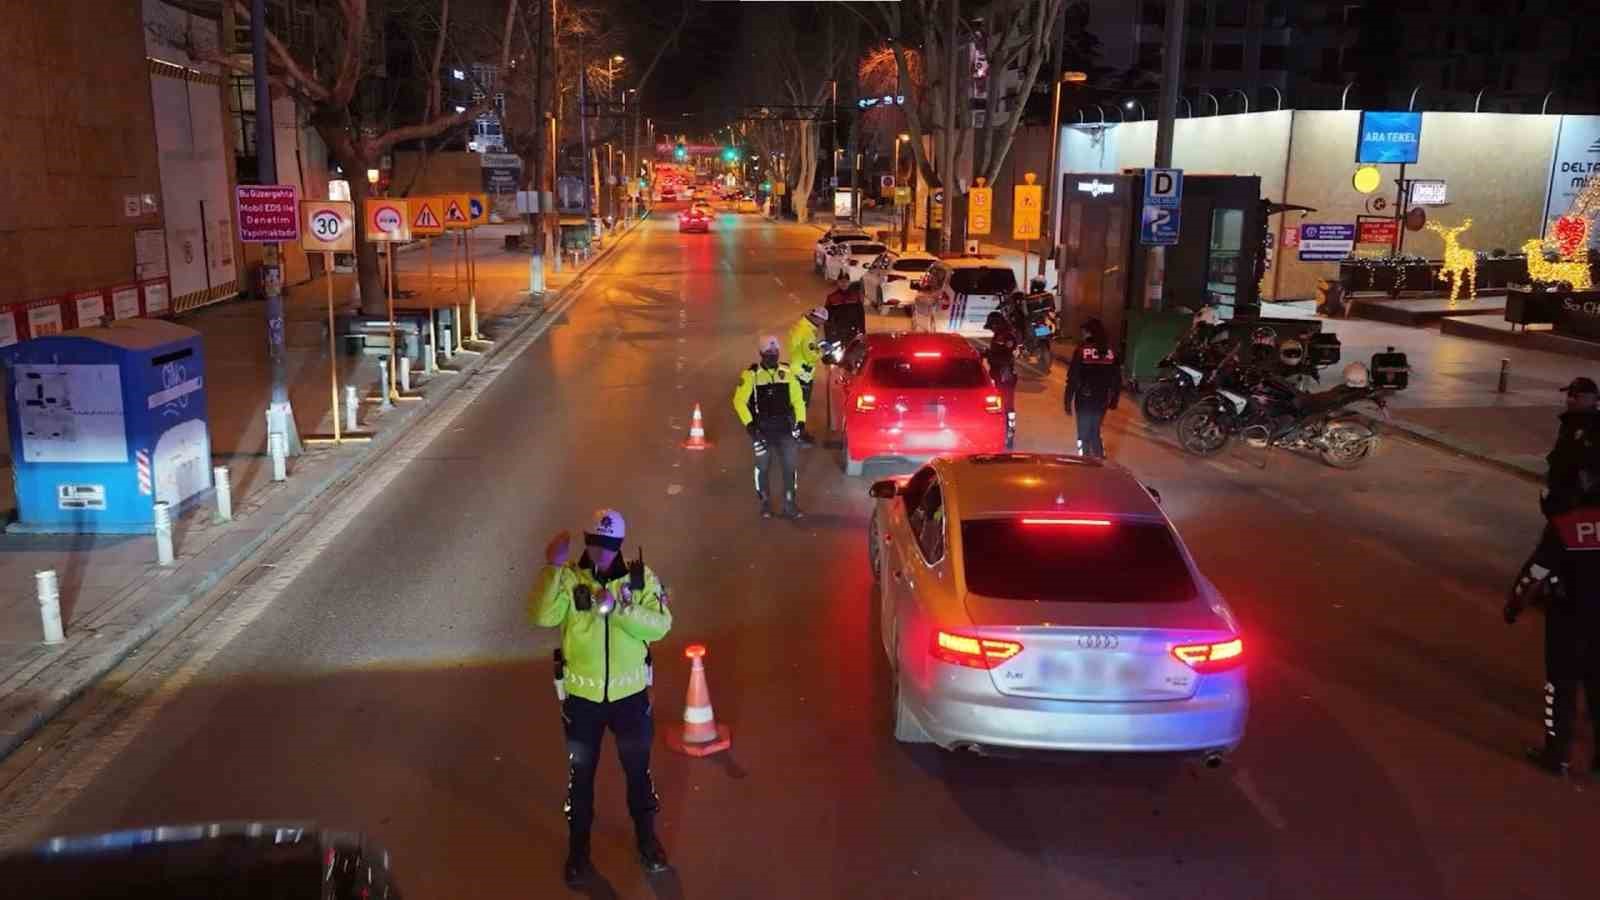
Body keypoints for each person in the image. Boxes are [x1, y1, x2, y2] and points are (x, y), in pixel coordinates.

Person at [530, 509, 673, 884]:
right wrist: (551, 568)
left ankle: (647, 841)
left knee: (638, 775)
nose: (600, 553)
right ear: (586, 541)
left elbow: (660, 627)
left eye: (608, 547)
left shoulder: (641, 580)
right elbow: (542, 616)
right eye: (594, 544)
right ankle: (578, 853)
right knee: (581, 780)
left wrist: (622, 608)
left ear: (619, 546)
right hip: (583, 701)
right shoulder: (569, 579)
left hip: (630, 699)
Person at [733, 336, 808, 518]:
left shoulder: (788, 372)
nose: (772, 355)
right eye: (768, 352)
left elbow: (798, 400)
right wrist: (750, 427)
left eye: (775, 352)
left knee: (790, 468)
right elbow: (739, 401)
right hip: (762, 431)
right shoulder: (751, 375)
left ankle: (790, 504)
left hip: (785, 429)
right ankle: (765, 503)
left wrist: (801, 422)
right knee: (762, 467)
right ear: (761, 354)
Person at [1063, 317, 1120, 458]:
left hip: (1084, 399)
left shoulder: (1082, 351)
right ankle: (1100, 460)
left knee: (1083, 433)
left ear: (1089, 333)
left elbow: (1073, 378)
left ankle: (1085, 461)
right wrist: (1114, 400)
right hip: (1102, 399)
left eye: (1083, 332)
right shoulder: (1110, 352)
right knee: (1094, 430)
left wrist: (1067, 400)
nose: (1082, 335)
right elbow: (1117, 379)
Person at [787, 308, 829, 444]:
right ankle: (797, 435)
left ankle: (796, 431)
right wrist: (823, 351)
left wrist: (817, 346)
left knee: (797, 405)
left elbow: (802, 348)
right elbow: (811, 357)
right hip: (802, 375)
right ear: (817, 318)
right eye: (822, 321)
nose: (822, 324)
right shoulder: (807, 333)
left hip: (795, 370)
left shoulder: (801, 326)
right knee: (801, 406)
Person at [984, 309, 1019, 449]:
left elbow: (1006, 357)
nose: (992, 330)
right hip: (998, 375)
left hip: (1005, 376)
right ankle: (1000, 431)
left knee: (1008, 407)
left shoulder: (1007, 336)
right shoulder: (1000, 335)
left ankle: (1009, 434)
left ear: (996, 324)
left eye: (992, 326)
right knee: (1000, 406)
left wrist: (990, 355)